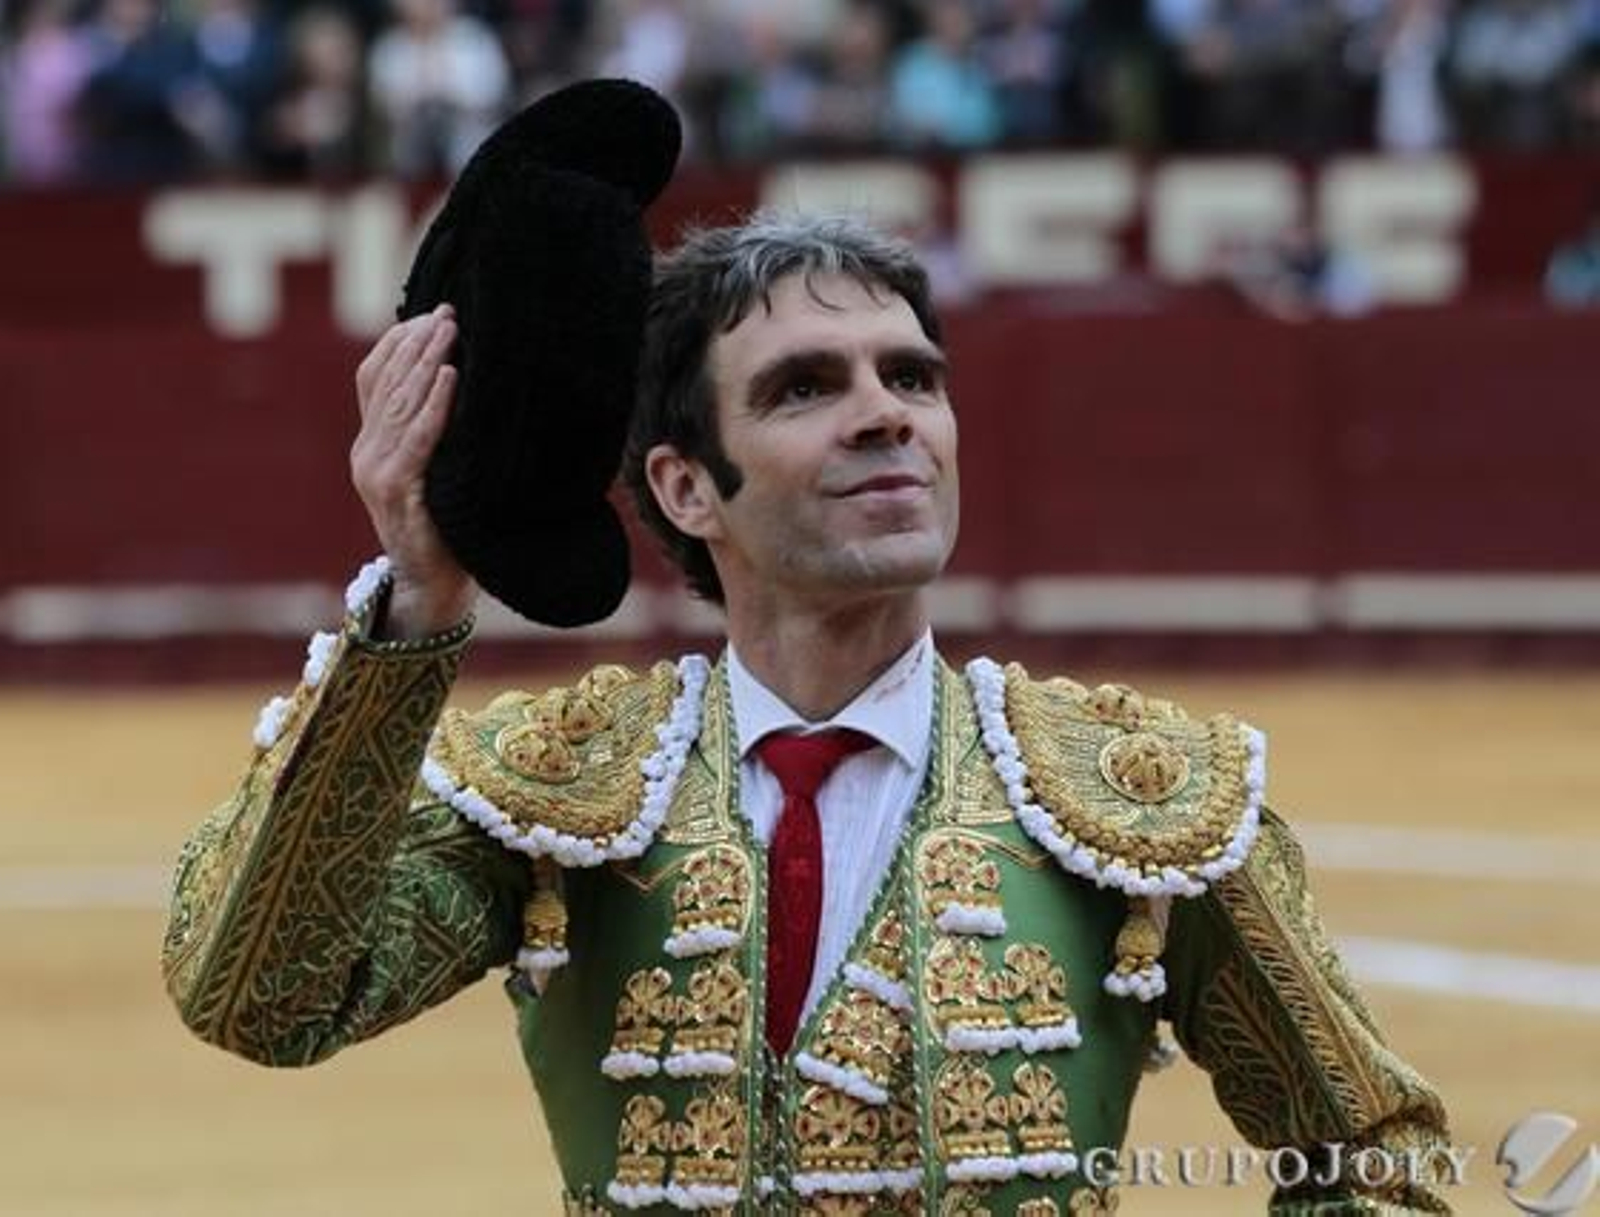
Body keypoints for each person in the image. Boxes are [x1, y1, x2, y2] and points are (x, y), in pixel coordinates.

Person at [162, 212, 1453, 1214]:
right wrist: (415, 612)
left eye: (912, 375)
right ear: (686, 487)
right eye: (804, 387)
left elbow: (1376, 1157)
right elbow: (262, 996)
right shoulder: (561, 793)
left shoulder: (1136, 794)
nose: (885, 412)